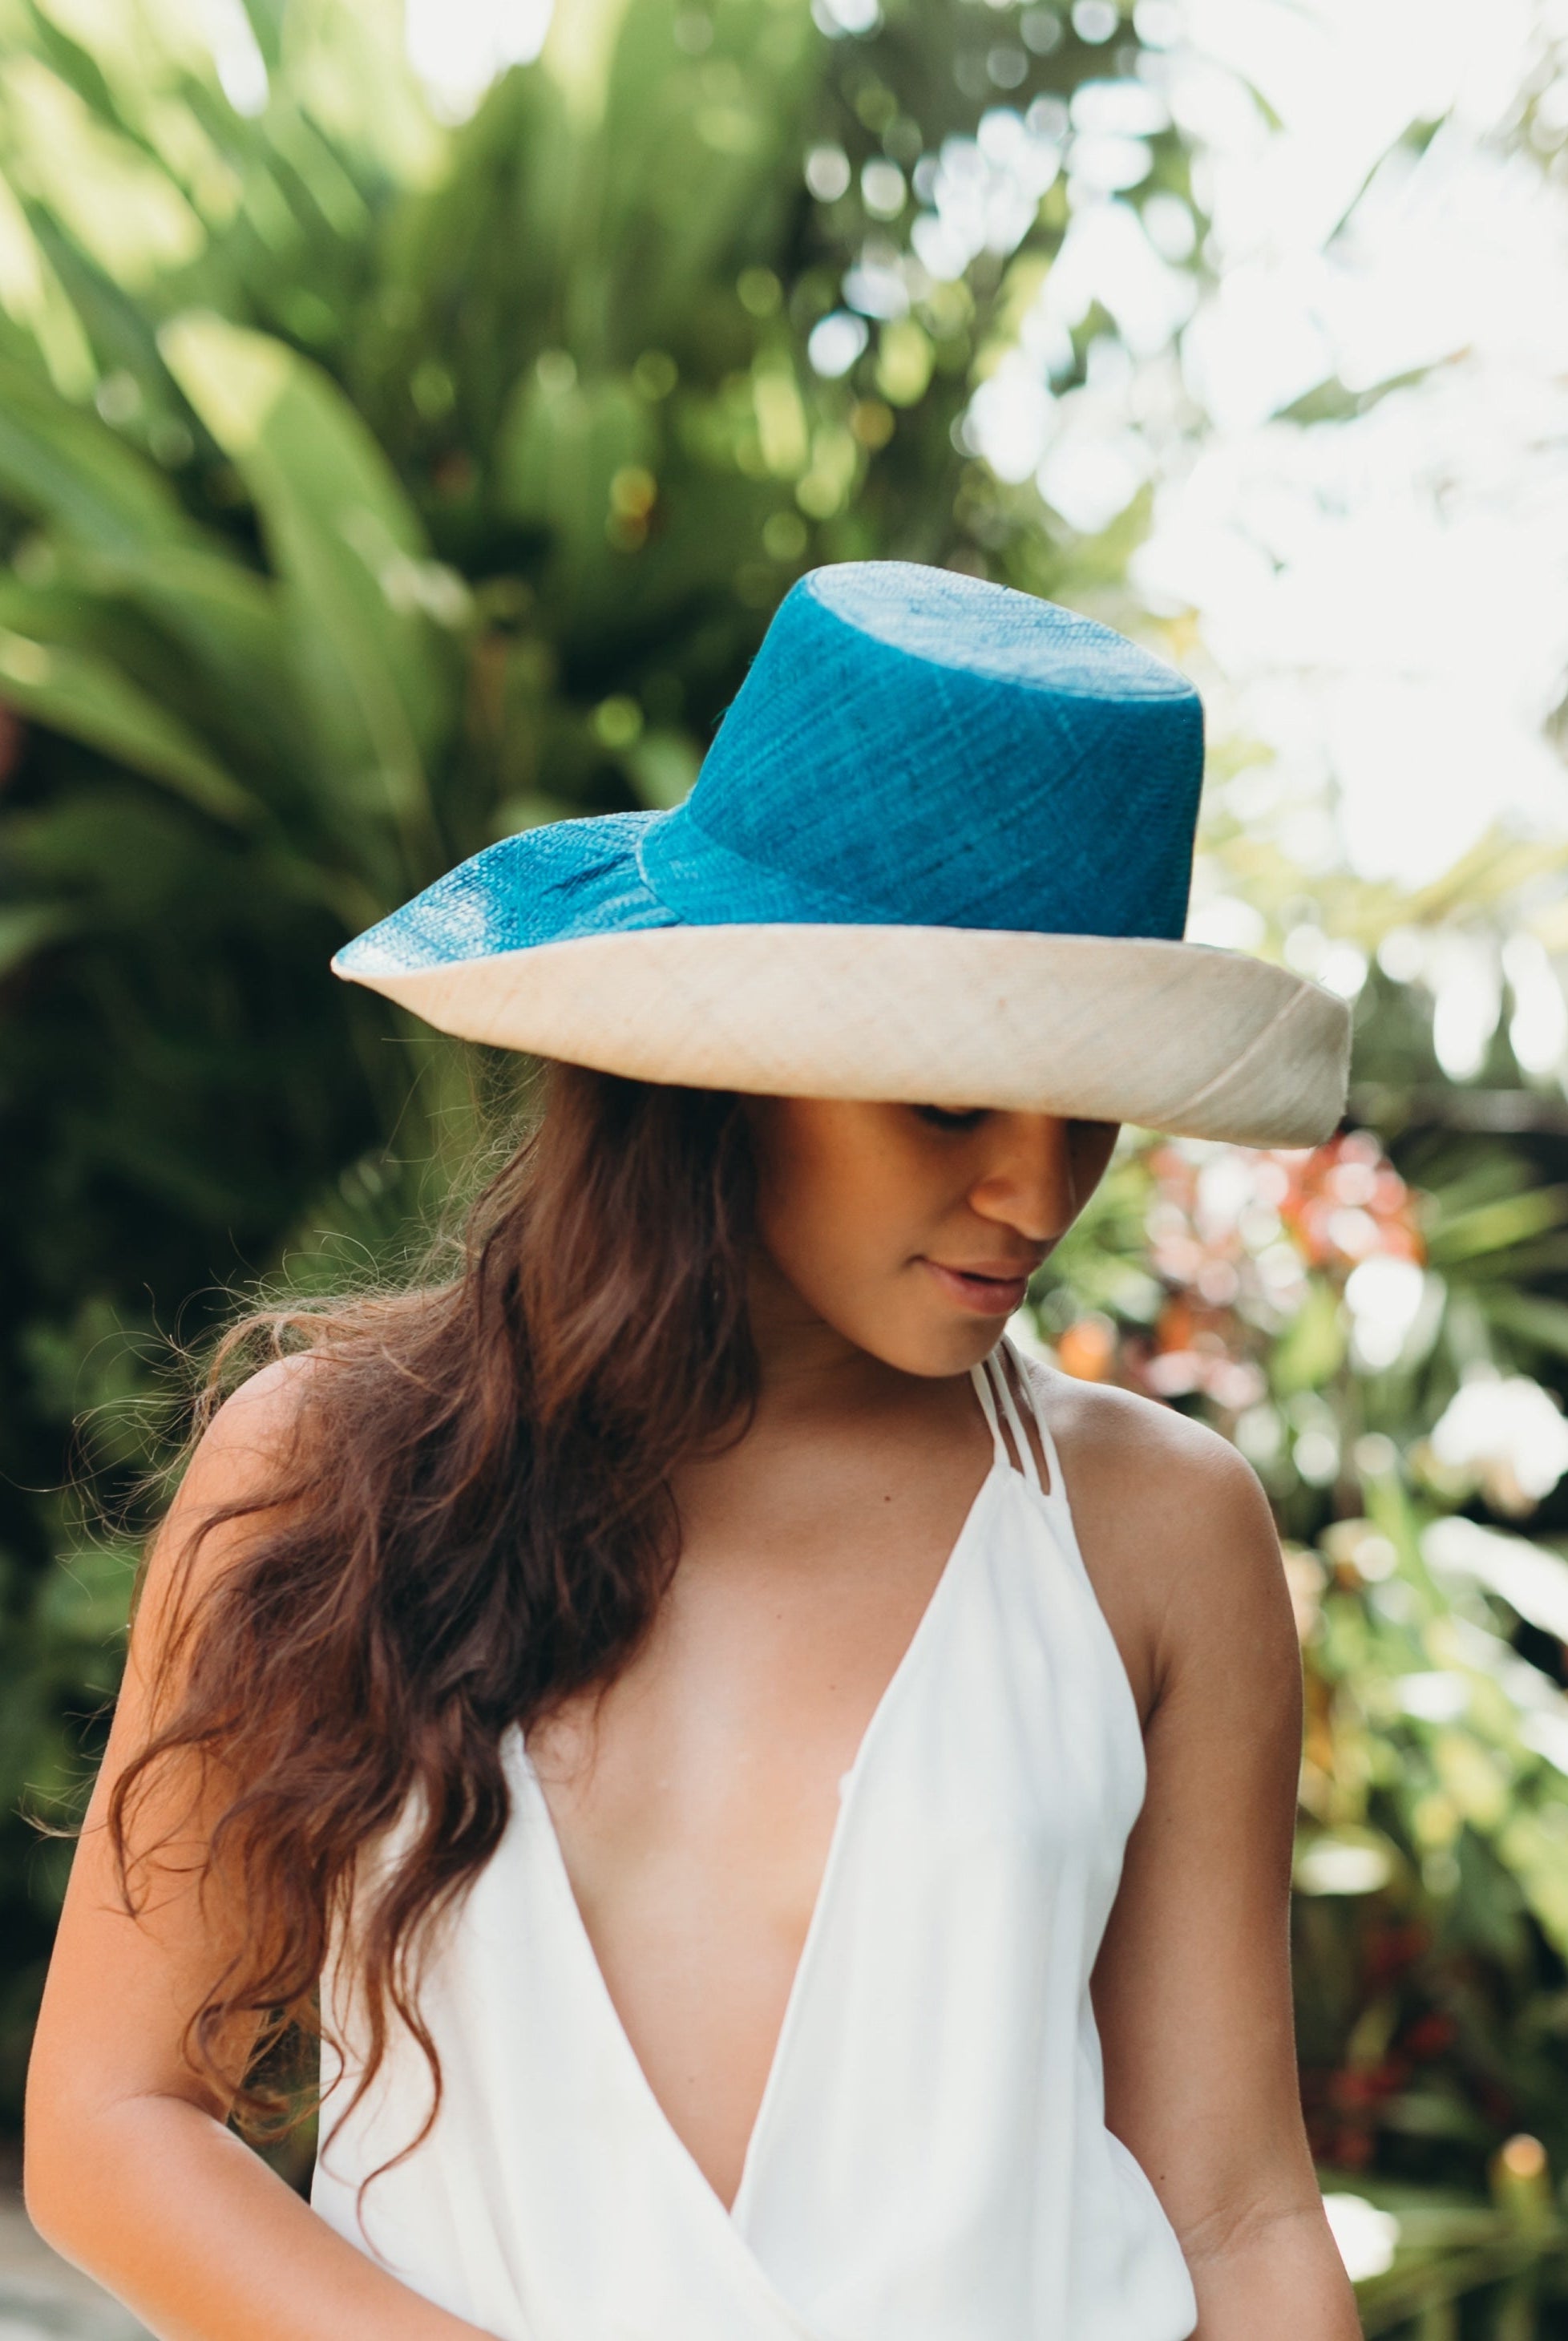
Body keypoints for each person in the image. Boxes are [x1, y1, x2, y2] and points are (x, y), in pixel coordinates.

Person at [25, 563, 1359, 2340]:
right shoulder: (329, 1474)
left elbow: (1239, 2212)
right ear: (729, 1068)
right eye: (951, 1099)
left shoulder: (1152, 1531)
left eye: (1086, 1105)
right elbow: (114, 2120)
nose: (1039, 1193)